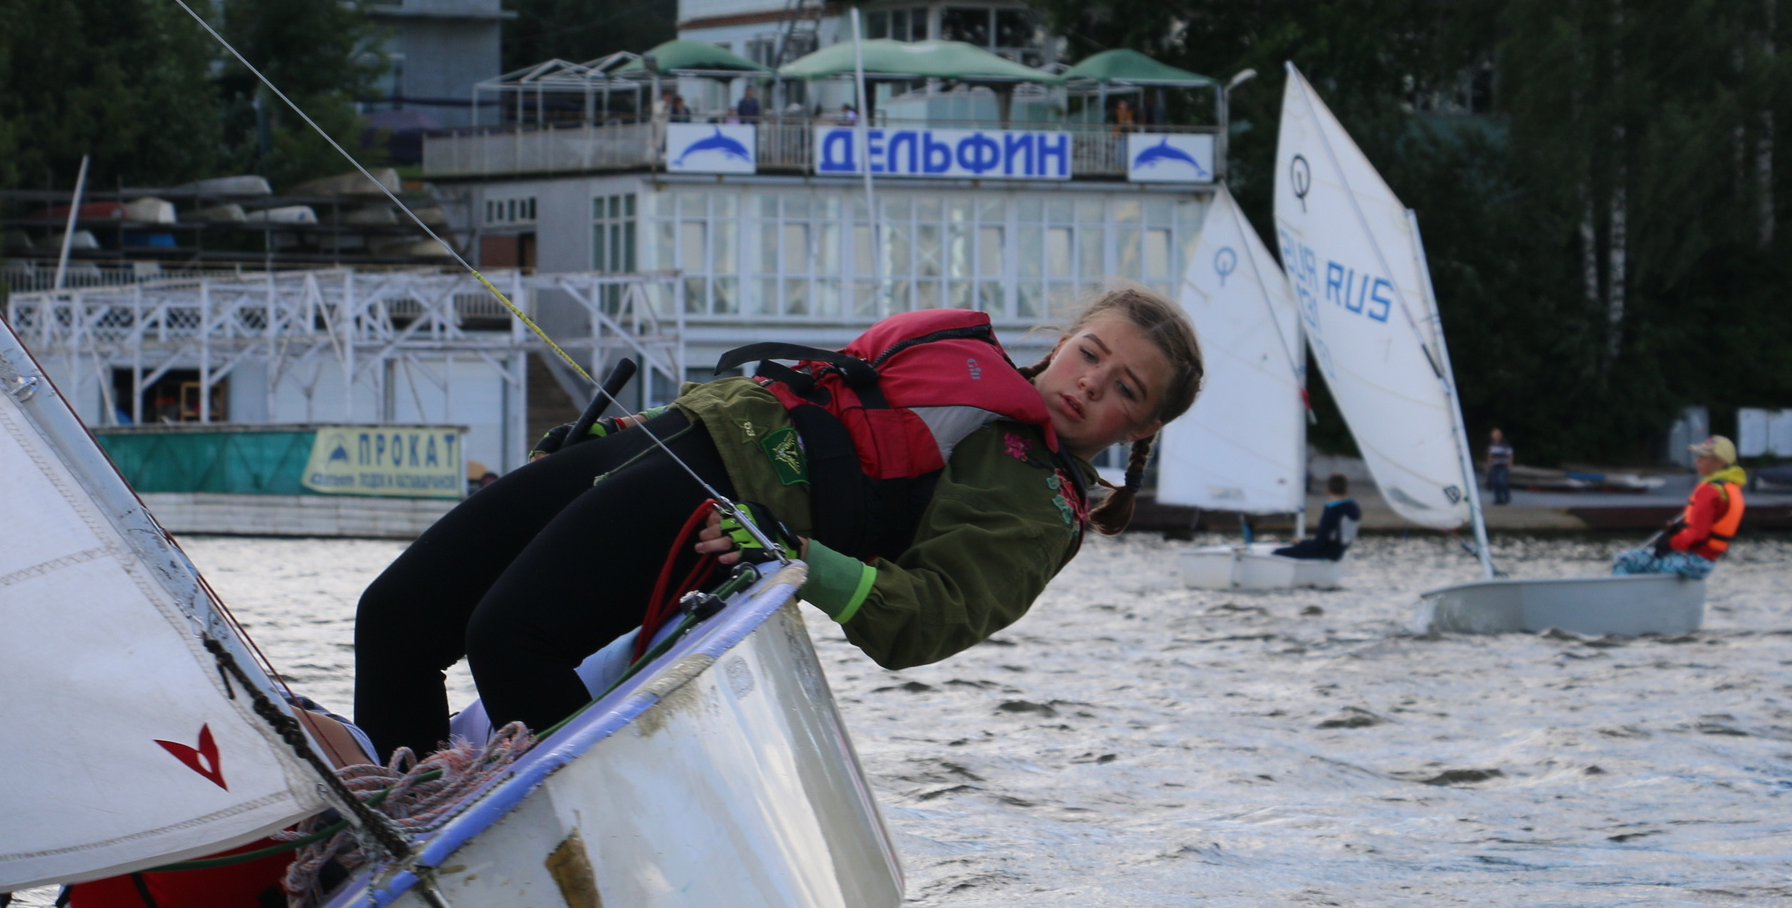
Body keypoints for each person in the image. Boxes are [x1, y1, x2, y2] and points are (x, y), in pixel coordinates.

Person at [351, 288, 1205, 761]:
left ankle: (558, 860)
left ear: (1139, 430)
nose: (1093, 383)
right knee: (393, 618)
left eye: (1126, 389)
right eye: (1093, 352)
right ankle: (406, 814)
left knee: (509, 638)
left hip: (726, 509)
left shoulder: (1033, 494)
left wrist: (797, 558)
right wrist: (619, 432)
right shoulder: (970, 368)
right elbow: (791, 401)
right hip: (678, 440)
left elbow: (934, 613)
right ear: (1065, 339)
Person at [1611, 434, 1745, 578]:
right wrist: (1678, 531)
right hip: (1705, 563)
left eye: (1703, 456)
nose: (1697, 460)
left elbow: (1696, 536)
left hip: (1690, 562)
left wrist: (1669, 542)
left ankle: (1623, 598)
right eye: (1698, 456)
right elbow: (1704, 529)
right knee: (1646, 560)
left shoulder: (1709, 491)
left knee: (1625, 560)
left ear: (1719, 463)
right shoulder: (1731, 488)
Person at [1276, 473, 1360, 560]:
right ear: (1346, 491)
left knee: (1277, 552)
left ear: (1328, 490)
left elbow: (1319, 544)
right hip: (1339, 552)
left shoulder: (1332, 511)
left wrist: (1301, 542)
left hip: (1326, 553)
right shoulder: (1353, 508)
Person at [1485, 427, 1514, 506]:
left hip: (1503, 465)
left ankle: (1506, 498)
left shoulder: (1505, 444)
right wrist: (1488, 463)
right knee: (1495, 482)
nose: (1496, 436)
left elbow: (1510, 455)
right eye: (1495, 434)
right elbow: (1489, 455)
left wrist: (1509, 464)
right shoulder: (1491, 445)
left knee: (1502, 481)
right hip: (1495, 465)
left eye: (1498, 434)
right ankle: (1498, 499)